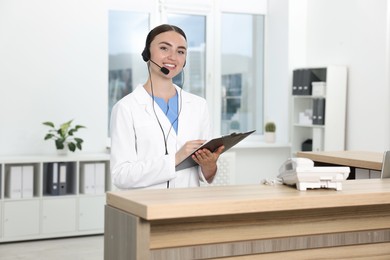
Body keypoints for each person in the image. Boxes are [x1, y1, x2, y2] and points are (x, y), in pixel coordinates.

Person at [110, 24, 224, 189]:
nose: (173, 57)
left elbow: (204, 175)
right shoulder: (126, 108)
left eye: (180, 51)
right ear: (147, 53)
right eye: (164, 48)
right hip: (146, 207)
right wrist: (175, 158)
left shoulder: (199, 105)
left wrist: (209, 165)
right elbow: (121, 175)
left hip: (187, 206)